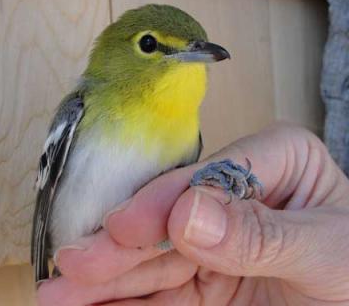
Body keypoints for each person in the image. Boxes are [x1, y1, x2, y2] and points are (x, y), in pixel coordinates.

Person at [37, 124, 349, 305]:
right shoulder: (84, 107)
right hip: (79, 250)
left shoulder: (186, 127)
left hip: (146, 255)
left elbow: (171, 209)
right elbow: (47, 192)